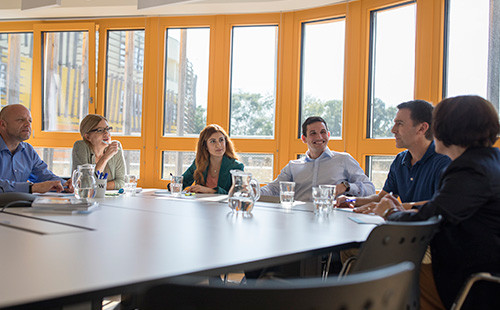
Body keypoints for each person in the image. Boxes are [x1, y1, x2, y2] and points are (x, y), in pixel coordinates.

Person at [367, 95, 500, 310]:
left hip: (475, 281)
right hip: (482, 268)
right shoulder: (489, 160)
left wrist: (391, 213)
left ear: (446, 129)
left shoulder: (470, 169)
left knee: (383, 277)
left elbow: (430, 217)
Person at [337, 100, 451, 209]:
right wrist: (351, 200)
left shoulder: (445, 161)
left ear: (422, 128)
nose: (393, 130)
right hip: (407, 225)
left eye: (399, 124)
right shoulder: (400, 160)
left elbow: (440, 204)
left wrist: (394, 208)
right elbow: (381, 197)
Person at [260, 116, 375, 201]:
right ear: (304, 139)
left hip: (332, 217)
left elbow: (370, 189)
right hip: (298, 218)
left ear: (328, 135)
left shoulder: (343, 160)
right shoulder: (293, 166)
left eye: (323, 132)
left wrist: (346, 187)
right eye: (313, 133)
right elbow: (274, 189)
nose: (319, 137)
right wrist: (253, 191)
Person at [0, 104, 73, 193]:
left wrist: (65, 185)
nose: (27, 124)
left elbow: (43, 175)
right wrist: (31, 188)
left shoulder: (28, 150)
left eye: (30, 121)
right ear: (2, 124)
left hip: (18, 205)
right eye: (20, 120)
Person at [181, 124, 244, 194]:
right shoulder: (199, 162)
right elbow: (182, 182)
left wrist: (210, 190)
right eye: (213, 141)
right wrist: (174, 184)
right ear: (205, 146)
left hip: (224, 204)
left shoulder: (236, 166)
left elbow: (237, 194)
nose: (219, 145)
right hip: (201, 203)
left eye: (221, 140)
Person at [72, 114, 126, 190]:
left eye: (107, 129)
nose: (106, 133)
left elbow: (121, 182)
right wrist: (105, 158)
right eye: (100, 130)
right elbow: (85, 184)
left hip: (111, 199)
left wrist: (98, 187)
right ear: (87, 137)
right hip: (88, 199)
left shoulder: (116, 147)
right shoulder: (80, 147)